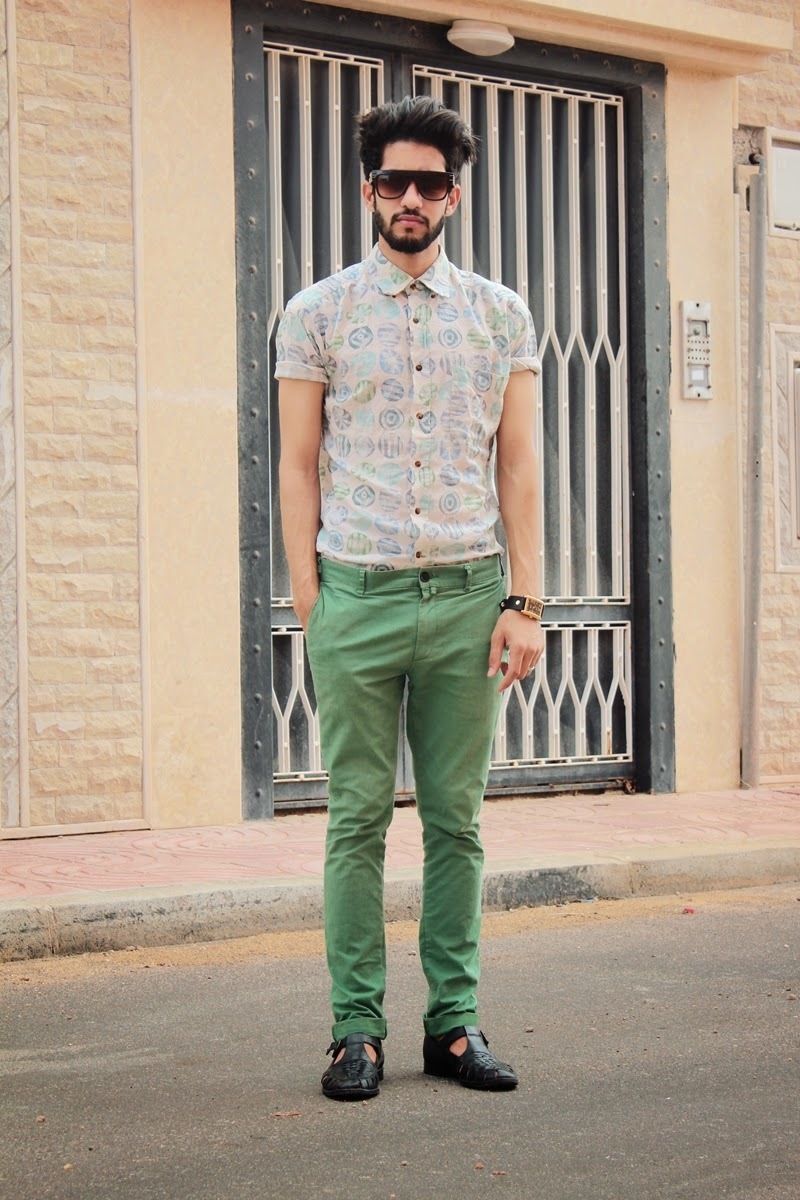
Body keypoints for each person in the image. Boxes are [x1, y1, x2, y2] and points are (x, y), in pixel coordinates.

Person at [275, 95, 544, 1100]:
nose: (411, 198)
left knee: (456, 821)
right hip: (358, 595)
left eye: (430, 183)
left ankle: (453, 1024)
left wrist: (526, 600)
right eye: (394, 181)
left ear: (453, 197)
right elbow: (297, 466)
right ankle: (355, 1031)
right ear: (368, 191)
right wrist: (313, 601)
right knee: (353, 820)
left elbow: (518, 465)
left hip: (472, 596)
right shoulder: (315, 314)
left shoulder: (499, 313)